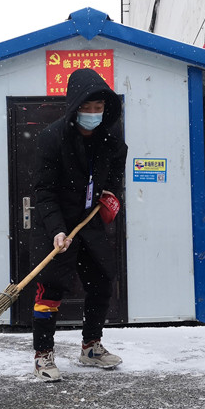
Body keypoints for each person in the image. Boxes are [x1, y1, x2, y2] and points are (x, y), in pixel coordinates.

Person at [31, 68, 128, 382]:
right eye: (86, 108)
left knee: (101, 281)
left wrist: (111, 196)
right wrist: (58, 228)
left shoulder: (110, 143)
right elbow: (43, 191)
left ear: (105, 109)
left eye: (98, 108)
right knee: (51, 288)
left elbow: (114, 177)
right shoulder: (51, 138)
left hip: (90, 225)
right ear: (74, 107)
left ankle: (90, 346)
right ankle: (44, 354)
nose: (92, 114)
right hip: (57, 226)